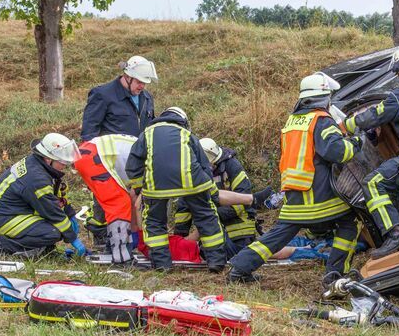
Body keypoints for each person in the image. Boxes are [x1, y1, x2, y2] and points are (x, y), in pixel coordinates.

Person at [228, 73, 363, 285]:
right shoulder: (322, 120)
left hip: (294, 194)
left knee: (277, 236)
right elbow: (337, 152)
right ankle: (335, 274)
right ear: (325, 98)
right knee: (350, 223)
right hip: (320, 196)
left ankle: (239, 268)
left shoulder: (292, 122)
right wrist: (356, 143)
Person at [344, 45, 399, 258]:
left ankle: (395, 233)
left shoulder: (398, 98)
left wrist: (346, 124)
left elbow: (371, 117)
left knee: (373, 183)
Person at [125, 107, 227, 272]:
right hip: (192, 182)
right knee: (206, 217)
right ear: (183, 121)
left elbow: (133, 163)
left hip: (156, 186)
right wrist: (210, 190)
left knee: (154, 222)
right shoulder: (186, 134)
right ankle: (216, 261)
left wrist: (138, 188)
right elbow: (204, 165)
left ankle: (162, 265)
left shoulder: (147, 134)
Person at [80, 55, 158, 242]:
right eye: (139, 82)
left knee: (132, 198)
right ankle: (100, 231)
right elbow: (89, 131)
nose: (142, 87)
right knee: (106, 198)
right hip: (107, 158)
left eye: (145, 83)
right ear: (127, 76)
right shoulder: (103, 94)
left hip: (135, 158)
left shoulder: (146, 98)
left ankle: (129, 234)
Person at [0, 133, 86, 259]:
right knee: (53, 232)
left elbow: (55, 196)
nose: (65, 165)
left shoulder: (40, 166)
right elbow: (52, 212)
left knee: (56, 228)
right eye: (62, 161)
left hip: (17, 211)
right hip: (4, 217)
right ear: (49, 158)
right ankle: (1, 246)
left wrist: (70, 214)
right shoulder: (37, 178)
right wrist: (72, 237)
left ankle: (43, 249)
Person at [175, 138, 273, 251]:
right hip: (211, 227)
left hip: (239, 227)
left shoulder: (232, 166)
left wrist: (212, 217)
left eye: (213, 165)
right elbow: (184, 205)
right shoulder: (194, 173)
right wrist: (179, 237)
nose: (210, 168)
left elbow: (242, 202)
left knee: (243, 253)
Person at [74, 134, 138, 263]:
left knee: (118, 201)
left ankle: (113, 244)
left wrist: (134, 232)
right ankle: (121, 256)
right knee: (119, 203)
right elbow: (139, 201)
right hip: (96, 157)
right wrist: (136, 232)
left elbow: (134, 197)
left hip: (89, 154)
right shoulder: (156, 157)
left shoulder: (150, 147)